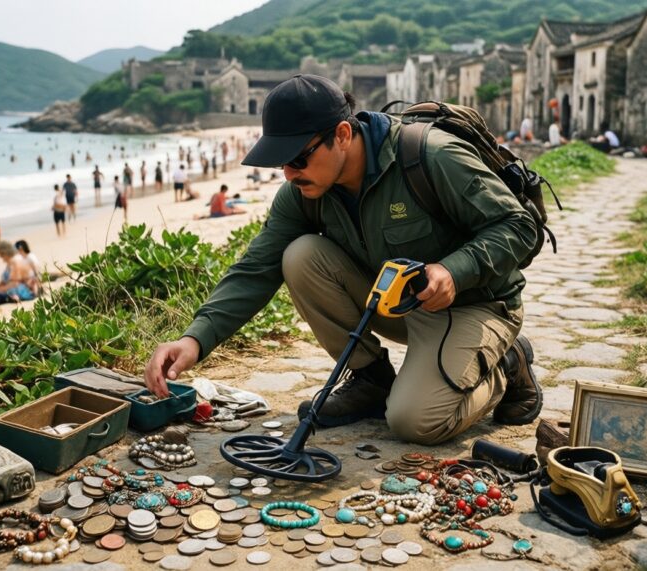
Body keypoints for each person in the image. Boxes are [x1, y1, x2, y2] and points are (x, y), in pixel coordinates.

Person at [143, 74, 541, 446]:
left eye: (298, 159)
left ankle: (507, 364)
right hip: (398, 305)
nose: (288, 174)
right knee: (300, 255)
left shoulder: (430, 155)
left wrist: (454, 271)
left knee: (414, 422)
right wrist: (194, 339)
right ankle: (371, 379)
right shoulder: (304, 192)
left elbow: (520, 226)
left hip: (476, 305)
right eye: (280, 162)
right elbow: (256, 268)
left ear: (343, 135)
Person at [0, 241, 36, 306]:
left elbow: (15, 283)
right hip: (21, 289)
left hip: (22, 291)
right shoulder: (16, 259)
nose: (2, 260)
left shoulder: (14, 261)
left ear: (5, 253)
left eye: (1, 256)